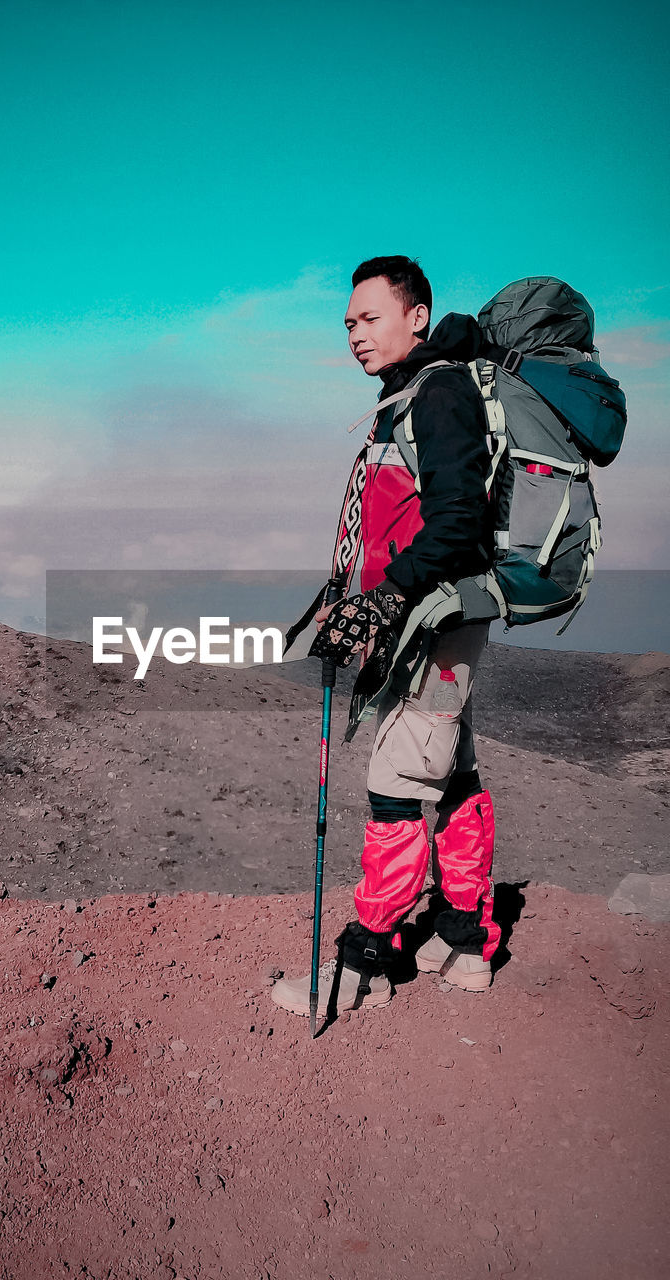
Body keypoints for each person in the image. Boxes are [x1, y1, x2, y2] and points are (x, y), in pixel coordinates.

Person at [272, 255, 500, 1018]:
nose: (355, 335)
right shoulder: (408, 395)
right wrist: (366, 604)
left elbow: (458, 523)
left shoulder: (438, 394)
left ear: (417, 315)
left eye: (370, 319)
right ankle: (465, 942)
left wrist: (385, 600)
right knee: (452, 770)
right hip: (427, 621)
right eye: (347, 323)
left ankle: (362, 964)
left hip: (437, 622)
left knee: (397, 785)